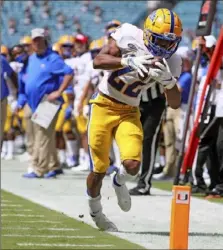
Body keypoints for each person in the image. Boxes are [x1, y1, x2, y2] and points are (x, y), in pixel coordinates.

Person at [87, 8, 182, 231]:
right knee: (98, 169)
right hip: (102, 103)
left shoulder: (172, 61)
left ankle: (119, 181)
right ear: (148, 34)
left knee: (132, 164)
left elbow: (175, 103)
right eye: (161, 41)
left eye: (171, 43)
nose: (166, 48)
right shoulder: (128, 34)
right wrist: (127, 60)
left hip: (129, 110)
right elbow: (98, 61)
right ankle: (96, 212)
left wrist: (168, 82)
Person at [18, 28, 74, 178]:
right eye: (34, 40)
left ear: (45, 40)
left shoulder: (53, 58)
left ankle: (39, 169)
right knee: (45, 135)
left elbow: (69, 72)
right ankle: (54, 165)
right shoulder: (31, 58)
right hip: (33, 102)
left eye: (39, 40)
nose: (35, 43)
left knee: (42, 135)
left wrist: (59, 91)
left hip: (49, 101)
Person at [1, 55, 18, 146]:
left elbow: (12, 75)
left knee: (6, 128)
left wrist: (18, 93)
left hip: (5, 99)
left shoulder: (2, 61)